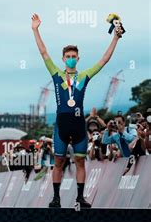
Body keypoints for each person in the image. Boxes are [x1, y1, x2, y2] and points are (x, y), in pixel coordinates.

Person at [31, 13, 122, 208]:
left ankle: (80, 197)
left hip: (79, 124)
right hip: (62, 124)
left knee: (80, 163)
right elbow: (44, 52)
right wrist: (35, 30)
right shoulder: (56, 74)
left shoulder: (84, 76)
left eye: (74, 57)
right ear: (63, 59)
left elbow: (104, 60)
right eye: (68, 57)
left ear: (78, 59)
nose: (71, 59)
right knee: (58, 162)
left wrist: (115, 37)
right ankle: (56, 198)